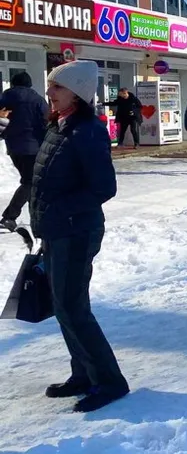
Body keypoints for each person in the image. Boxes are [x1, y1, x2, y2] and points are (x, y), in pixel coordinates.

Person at [31, 60, 128, 412]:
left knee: (73, 308)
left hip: (76, 231)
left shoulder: (87, 131)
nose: (50, 92)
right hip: (57, 231)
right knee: (63, 307)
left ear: (78, 93)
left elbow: (104, 187)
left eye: (58, 86)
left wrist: (59, 211)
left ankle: (110, 382)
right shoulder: (59, 126)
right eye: (50, 85)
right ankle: (85, 374)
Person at [0, 72, 49, 232]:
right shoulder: (37, 100)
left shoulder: (5, 98)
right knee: (30, 182)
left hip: (13, 147)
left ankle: (35, 215)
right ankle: (9, 217)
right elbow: (47, 121)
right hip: (33, 147)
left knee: (31, 181)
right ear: (29, 84)